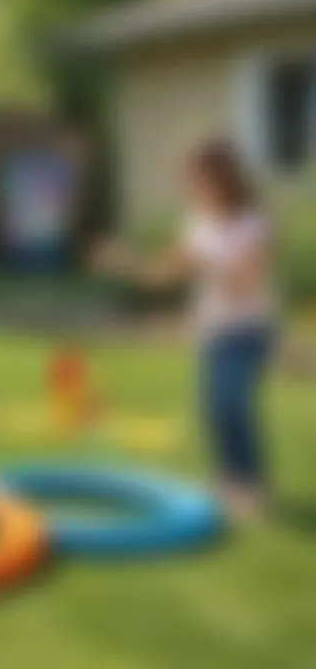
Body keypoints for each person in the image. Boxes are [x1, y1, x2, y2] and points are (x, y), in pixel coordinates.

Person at [93, 140, 276, 522]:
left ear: (222, 178)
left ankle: (253, 487)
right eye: (190, 179)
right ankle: (229, 481)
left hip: (249, 329)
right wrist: (122, 261)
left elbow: (242, 283)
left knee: (233, 404)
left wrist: (207, 257)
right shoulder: (198, 224)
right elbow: (162, 275)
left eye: (198, 177)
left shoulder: (252, 223)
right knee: (215, 409)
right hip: (215, 330)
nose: (191, 186)